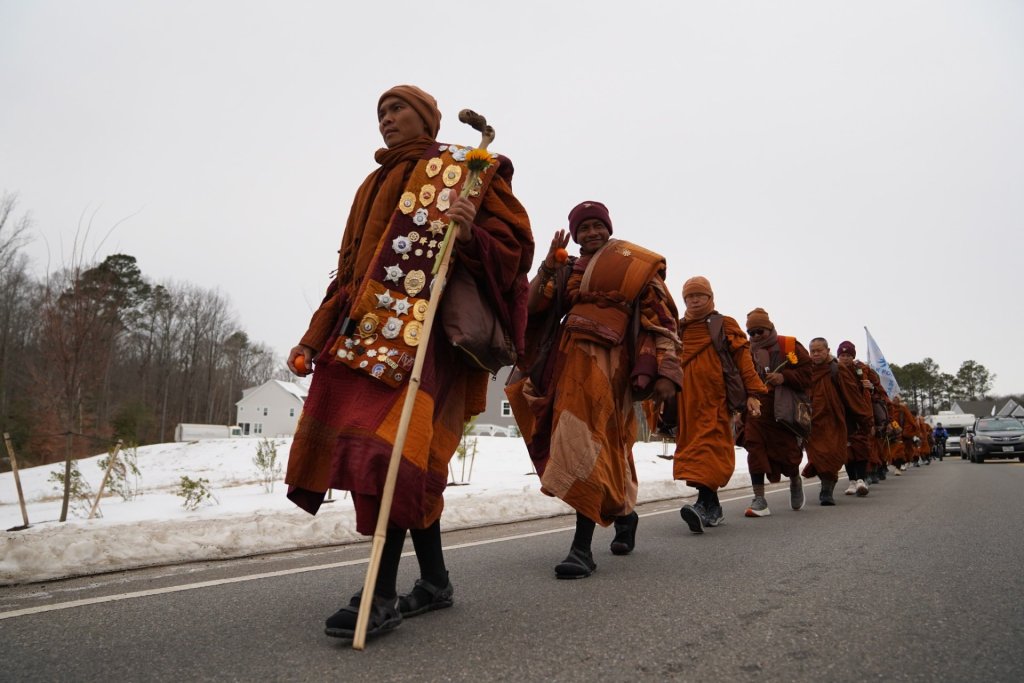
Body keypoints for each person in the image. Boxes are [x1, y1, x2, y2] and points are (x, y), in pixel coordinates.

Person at [284, 85, 533, 640]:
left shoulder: (464, 168)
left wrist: (470, 234)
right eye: (380, 112)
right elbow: (349, 273)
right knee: (402, 459)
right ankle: (436, 582)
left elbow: (515, 248)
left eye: (397, 109)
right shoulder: (370, 184)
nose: (386, 119)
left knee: (390, 453)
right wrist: (313, 338)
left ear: (426, 119)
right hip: (361, 337)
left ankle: (380, 594)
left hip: (426, 341)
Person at [505, 201, 682, 579]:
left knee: (598, 443)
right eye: (583, 228)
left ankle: (583, 547)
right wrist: (547, 267)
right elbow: (532, 308)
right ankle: (621, 517)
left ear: (608, 228)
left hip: (614, 368)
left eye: (596, 226)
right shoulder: (567, 267)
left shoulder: (634, 264)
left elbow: (663, 320)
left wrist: (668, 370)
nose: (591, 233)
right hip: (567, 365)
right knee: (583, 443)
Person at [673, 277, 767, 533]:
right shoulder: (678, 328)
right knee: (694, 451)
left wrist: (753, 393)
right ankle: (712, 508)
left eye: (699, 295)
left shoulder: (724, 324)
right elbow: (668, 361)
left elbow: (743, 360)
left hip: (716, 400)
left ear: (710, 297)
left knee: (709, 449)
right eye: (689, 296)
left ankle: (703, 505)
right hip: (686, 402)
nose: (694, 300)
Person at [741, 308, 812, 517]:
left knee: (788, 454)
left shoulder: (789, 345)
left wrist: (784, 377)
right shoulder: (745, 350)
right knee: (754, 448)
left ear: (769, 328)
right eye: (751, 332)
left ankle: (794, 479)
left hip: (783, 410)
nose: (755, 336)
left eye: (759, 331)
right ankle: (759, 499)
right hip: (755, 409)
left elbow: (808, 374)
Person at [802, 338, 872, 505]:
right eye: (812, 351)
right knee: (817, 456)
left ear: (827, 350)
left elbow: (852, 395)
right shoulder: (807, 370)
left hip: (834, 422)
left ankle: (827, 490)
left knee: (831, 456)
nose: (816, 354)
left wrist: (864, 418)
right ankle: (825, 484)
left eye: (819, 350)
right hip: (812, 423)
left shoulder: (837, 369)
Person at [836, 340, 874, 496]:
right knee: (847, 450)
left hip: (859, 414)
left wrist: (870, 387)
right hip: (842, 414)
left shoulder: (860, 371)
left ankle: (861, 480)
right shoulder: (834, 370)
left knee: (861, 447)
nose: (845, 358)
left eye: (848, 356)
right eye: (842, 355)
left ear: (853, 357)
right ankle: (852, 481)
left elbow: (874, 392)